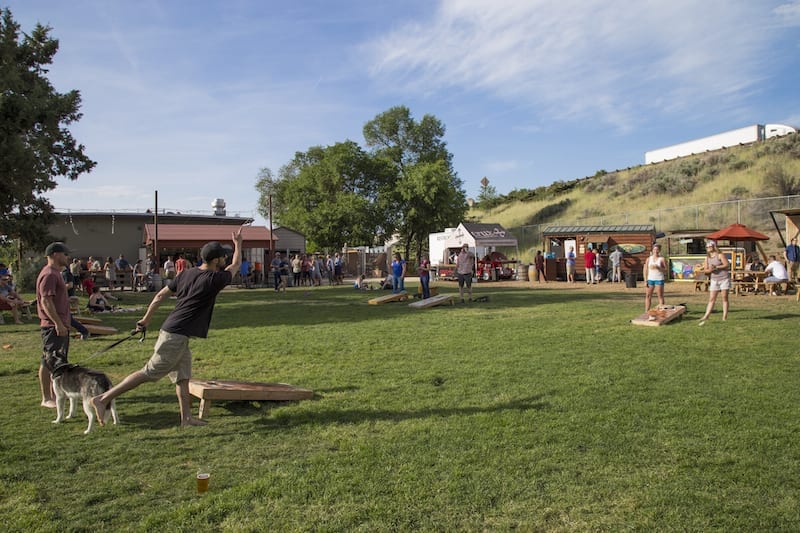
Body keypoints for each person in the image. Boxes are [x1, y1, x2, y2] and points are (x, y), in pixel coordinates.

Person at [92, 228, 243, 428]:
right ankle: (103, 399)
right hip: (175, 336)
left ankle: (186, 419)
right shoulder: (214, 280)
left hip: (176, 333)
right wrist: (238, 244)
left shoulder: (186, 274)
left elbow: (159, 296)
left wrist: (146, 319)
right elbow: (236, 264)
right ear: (216, 261)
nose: (225, 259)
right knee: (148, 372)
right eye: (223, 256)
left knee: (182, 378)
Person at [36, 242, 73, 408]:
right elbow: (46, 301)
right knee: (48, 360)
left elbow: (52, 299)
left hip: (60, 324)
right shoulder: (50, 274)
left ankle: (55, 393)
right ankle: (47, 398)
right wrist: (58, 323)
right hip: (52, 326)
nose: (67, 257)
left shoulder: (56, 274)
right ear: (56, 254)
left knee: (57, 361)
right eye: (65, 254)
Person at [698, 241, 730, 325]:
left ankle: (724, 317)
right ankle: (706, 315)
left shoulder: (720, 255)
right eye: (707, 247)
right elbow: (706, 270)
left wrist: (717, 267)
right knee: (711, 298)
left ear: (714, 247)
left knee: (724, 298)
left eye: (710, 246)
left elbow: (726, 264)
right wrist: (710, 270)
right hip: (714, 279)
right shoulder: (707, 258)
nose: (708, 248)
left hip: (724, 278)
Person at [61, 266, 90, 339]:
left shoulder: (66, 273)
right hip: (63, 297)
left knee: (67, 318)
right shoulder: (62, 273)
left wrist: (57, 288)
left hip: (67, 297)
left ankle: (84, 331)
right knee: (64, 317)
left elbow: (70, 285)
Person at [643, 243, 667, 312]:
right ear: (652, 250)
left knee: (660, 296)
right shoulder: (648, 259)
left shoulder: (661, 259)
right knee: (648, 296)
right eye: (654, 249)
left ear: (659, 250)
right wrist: (645, 280)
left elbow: (666, 270)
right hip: (650, 279)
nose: (656, 251)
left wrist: (658, 267)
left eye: (657, 249)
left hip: (659, 279)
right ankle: (646, 311)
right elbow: (645, 269)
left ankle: (661, 312)